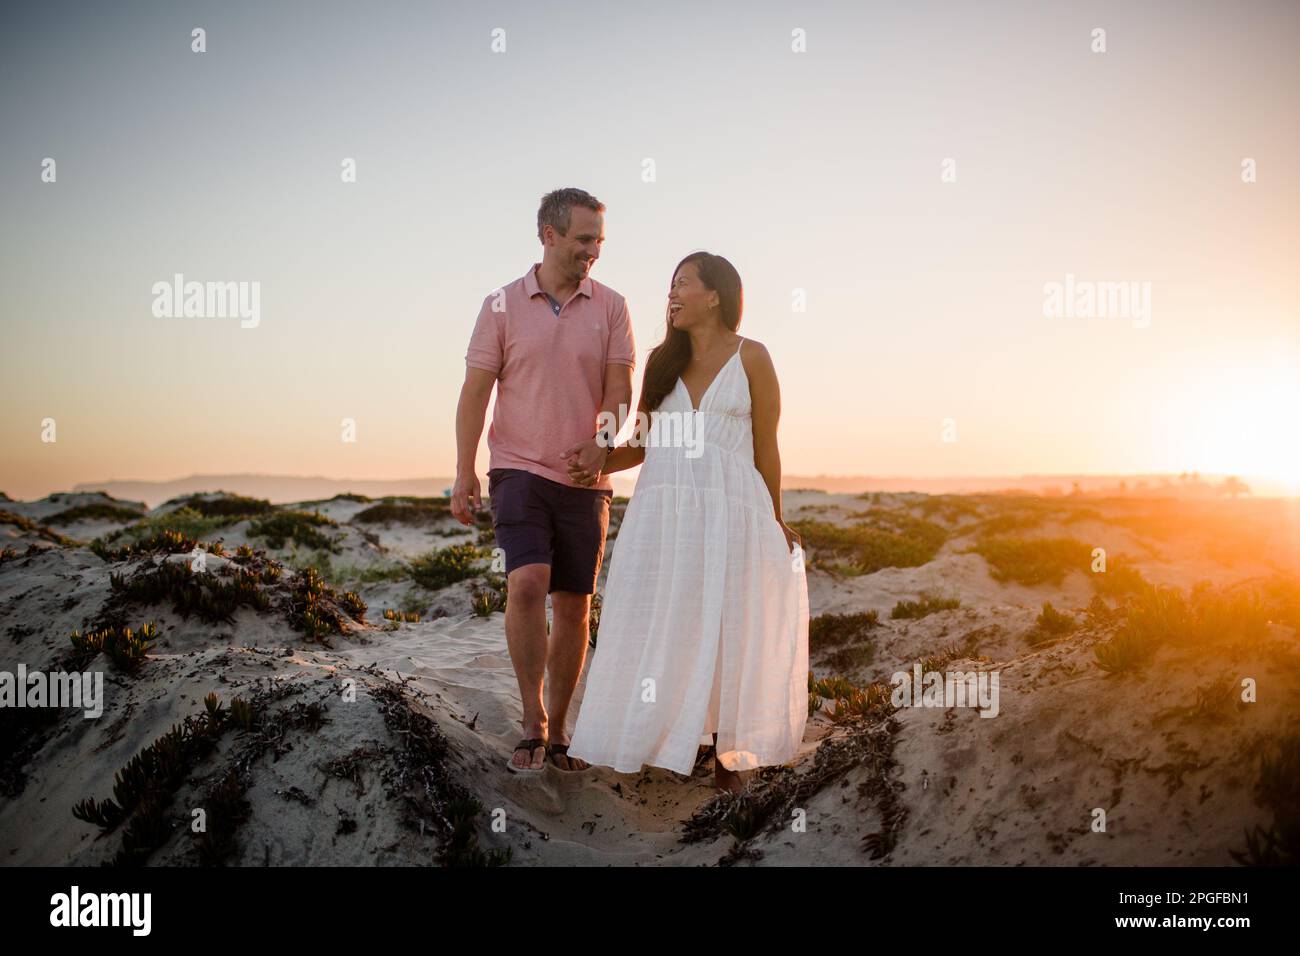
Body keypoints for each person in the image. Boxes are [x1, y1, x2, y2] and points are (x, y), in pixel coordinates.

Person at [565, 251, 809, 794]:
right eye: (670, 287)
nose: (671, 296)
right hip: (664, 514)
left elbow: (766, 448)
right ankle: (648, 739)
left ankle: (729, 760)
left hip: (732, 511)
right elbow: (644, 444)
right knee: (660, 619)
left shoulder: (753, 358)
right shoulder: (660, 363)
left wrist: (775, 517)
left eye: (683, 285)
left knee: (729, 626)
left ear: (716, 295)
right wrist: (599, 458)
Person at [451, 187, 635, 773]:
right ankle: (533, 720)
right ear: (548, 235)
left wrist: (602, 443)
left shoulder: (612, 306)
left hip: (585, 478)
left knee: (576, 605)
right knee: (528, 582)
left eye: (599, 241)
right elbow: (475, 393)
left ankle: (560, 735)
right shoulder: (501, 305)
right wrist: (463, 471)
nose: (593, 252)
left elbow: (619, 389)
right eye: (584, 239)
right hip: (518, 470)